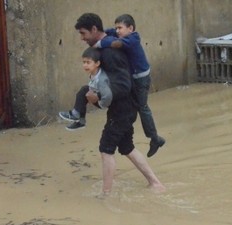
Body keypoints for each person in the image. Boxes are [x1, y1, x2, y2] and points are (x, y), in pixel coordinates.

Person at [74, 12, 165, 194]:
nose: (82, 38)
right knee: (126, 147)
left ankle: (105, 195)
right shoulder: (107, 46)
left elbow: (123, 86)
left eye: (83, 34)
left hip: (123, 109)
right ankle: (155, 183)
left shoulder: (110, 52)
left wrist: (99, 101)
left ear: (93, 30)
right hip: (124, 109)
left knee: (106, 148)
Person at [94, 14, 165, 158]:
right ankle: (132, 133)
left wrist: (99, 44)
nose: (117, 31)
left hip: (141, 79)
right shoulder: (118, 33)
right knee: (132, 106)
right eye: (116, 28)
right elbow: (107, 33)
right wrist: (100, 33)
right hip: (133, 78)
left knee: (142, 106)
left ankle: (155, 138)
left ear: (131, 28)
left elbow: (116, 44)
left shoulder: (133, 38)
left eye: (120, 28)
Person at [59, 47, 112, 131]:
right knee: (84, 94)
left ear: (97, 63)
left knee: (84, 90)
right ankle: (80, 121)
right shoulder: (94, 73)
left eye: (88, 62)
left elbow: (108, 95)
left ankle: (76, 115)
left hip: (104, 102)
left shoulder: (101, 79)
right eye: (84, 62)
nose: (85, 65)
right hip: (99, 97)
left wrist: (98, 101)